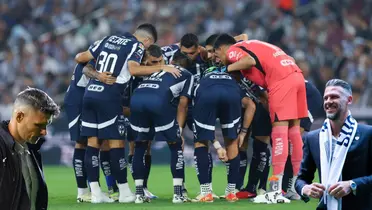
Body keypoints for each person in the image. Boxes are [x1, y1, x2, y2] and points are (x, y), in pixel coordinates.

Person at [75, 23, 180, 203]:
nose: (145, 51)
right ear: (146, 40)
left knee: (93, 144)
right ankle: (124, 192)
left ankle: (96, 194)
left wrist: (98, 75)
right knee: (116, 144)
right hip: (109, 95)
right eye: (148, 45)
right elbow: (134, 69)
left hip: (90, 93)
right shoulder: (136, 45)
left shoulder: (108, 39)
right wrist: (162, 68)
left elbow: (81, 58)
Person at [214, 34, 308, 203]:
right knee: (294, 134)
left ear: (221, 48)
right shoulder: (252, 43)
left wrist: (225, 69)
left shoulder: (232, 51)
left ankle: (275, 191)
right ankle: (292, 188)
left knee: (279, 135)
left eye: (217, 55)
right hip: (297, 76)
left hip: (281, 82)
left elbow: (249, 61)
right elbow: (288, 58)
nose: (219, 60)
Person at [295, 79, 372, 210]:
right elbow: (301, 179)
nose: (328, 101)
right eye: (326, 98)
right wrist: (305, 188)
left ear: (349, 100)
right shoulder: (313, 138)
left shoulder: (368, 134)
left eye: (334, 97)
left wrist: (353, 185)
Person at [130, 51, 193, 204]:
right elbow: (183, 104)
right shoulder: (187, 74)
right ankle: (178, 194)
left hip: (137, 98)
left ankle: (139, 194)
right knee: (176, 145)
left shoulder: (159, 69)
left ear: (171, 60)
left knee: (140, 145)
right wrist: (179, 129)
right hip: (157, 101)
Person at [64, 42, 117, 202]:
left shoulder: (99, 59)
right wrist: (100, 76)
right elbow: (87, 70)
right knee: (82, 143)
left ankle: (106, 188)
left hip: (88, 100)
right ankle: (82, 191)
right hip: (78, 101)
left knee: (99, 142)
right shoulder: (90, 61)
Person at [0, 87, 60, 210]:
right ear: (19, 117)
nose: (44, 132)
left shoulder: (32, 148)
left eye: (46, 125)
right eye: (39, 125)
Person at [125, 44, 165, 200]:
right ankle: (134, 188)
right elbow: (125, 104)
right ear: (144, 60)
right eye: (153, 62)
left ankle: (144, 187)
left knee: (147, 148)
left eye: (159, 61)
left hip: (149, 114)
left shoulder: (161, 68)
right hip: (131, 113)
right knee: (134, 148)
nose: (158, 65)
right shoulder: (133, 75)